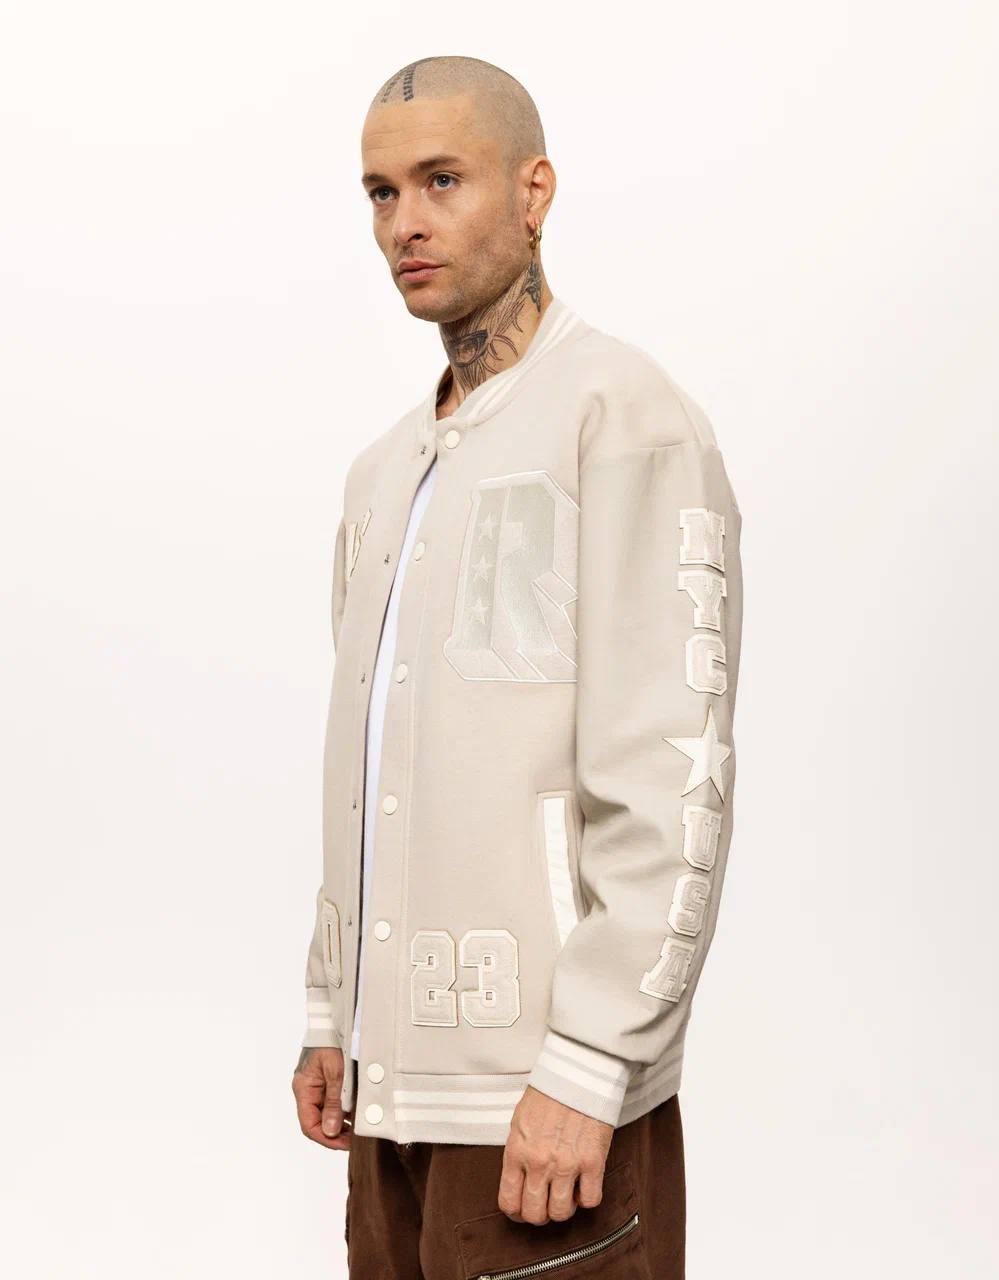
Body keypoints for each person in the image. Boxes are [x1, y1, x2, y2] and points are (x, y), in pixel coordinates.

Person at [291, 54, 744, 1279]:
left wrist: (593, 1061)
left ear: (534, 191)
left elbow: (675, 774)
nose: (406, 222)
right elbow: (371, 769)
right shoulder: (382, 473)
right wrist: (334, 1008)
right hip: (391, 1099)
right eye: (382, 192)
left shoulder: (623, 418)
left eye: (442, 180)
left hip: (547, 1108)